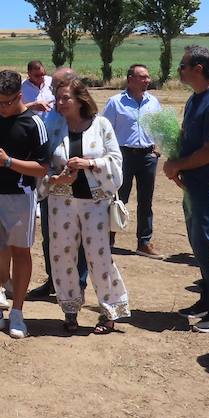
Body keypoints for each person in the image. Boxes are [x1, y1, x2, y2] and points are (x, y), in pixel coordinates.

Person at [0, 70, 51, 338]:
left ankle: (17, 313)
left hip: (19, 198)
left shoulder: (34, 124)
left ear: (19, 96)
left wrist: (7, 162)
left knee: (20, 253)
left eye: (6, 103)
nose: (1, 108)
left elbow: (42, 168)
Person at [45, 79, 129, 333]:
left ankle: (109, 311)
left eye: (65, 98)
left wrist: (90, 164)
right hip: (62, 201)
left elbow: (115, 160)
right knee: (61, 254)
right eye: (57, 98)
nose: (60, 103)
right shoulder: (54, 127)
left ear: (80, 99)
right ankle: (70, 309)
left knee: (99, 256)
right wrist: (57, 177)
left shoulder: (101, 125)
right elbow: (44, 163)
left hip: (96, 202)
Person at [162, 46, 209, 334]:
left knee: (206, 246)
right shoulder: (196, 100)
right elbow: (190, 139)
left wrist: (178, 164)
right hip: (194, 185)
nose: (179, 70)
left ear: (199, 69)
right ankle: (207, 299)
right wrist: (174, 161)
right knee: (198, 246)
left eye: (183, 66)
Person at [27, 66, 90, 301]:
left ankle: (79, 283)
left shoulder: (87, 116)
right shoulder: (51, 112)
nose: (53, 90)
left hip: (79, 183)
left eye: (58, 85)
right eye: (53, 87)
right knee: (51, 236)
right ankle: (53, 280)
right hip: (52, 183)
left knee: (79, 237)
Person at [102, 64, 164, 257]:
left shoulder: (153, 102)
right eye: (142, 77)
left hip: (147, 156)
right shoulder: (115, 102)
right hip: (123, 156)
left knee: (146, 200)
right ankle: (107, 237)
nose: (147, 80)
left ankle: (144, 243)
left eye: (147, 77)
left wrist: (157, 146)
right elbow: (105, 130)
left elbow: (159, 126)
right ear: (130, 79)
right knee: (118, 198)